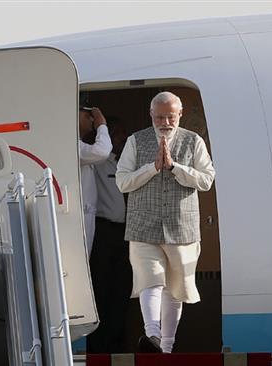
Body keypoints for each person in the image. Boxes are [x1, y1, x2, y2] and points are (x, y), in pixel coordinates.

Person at [116, 91, 215, 353]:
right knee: (150, 280)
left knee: (175, 287)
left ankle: (167, 347)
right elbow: (122, 181)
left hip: (181, 226)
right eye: (160, 117)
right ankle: (153, 336)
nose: (166, 122)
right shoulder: (135, 141)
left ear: (180, 114)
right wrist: (152, 167)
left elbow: (207, 180)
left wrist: (174, 167)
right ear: (151, 115)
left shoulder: (194, 141)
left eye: (171, 116)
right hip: (143, 224)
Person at [87, 119, 132, 353]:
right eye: (118, 135)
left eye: (125, 135)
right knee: (101, 289)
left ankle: (117, 346)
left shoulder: (130, 164)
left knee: (122, 289)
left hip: (126, 235)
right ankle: (98, 347)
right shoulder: (98, 163)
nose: (122, 139)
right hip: (104, 231)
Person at [79, 98, 112, 255]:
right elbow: (102, 151)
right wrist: (102, 125)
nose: (92, 119)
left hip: (86, 214)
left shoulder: (79, 144)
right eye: (87, 115)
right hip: (80, 216)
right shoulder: (73, 145)